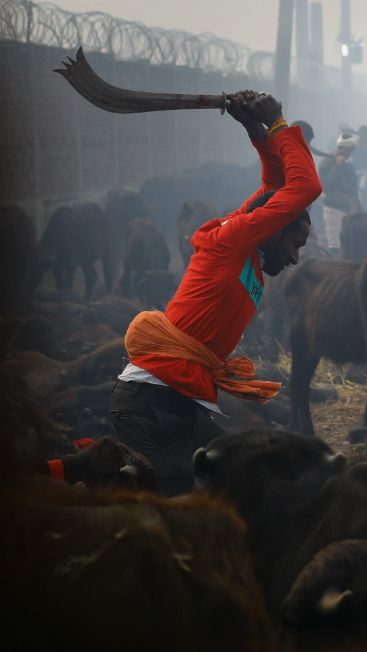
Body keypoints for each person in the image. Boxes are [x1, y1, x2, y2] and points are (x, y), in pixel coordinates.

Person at [108, 90, 321, 496]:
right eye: (295, 244)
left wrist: (254, 130)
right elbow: (305, 186)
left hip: (175, 396)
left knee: (237, 479)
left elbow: (275, 186)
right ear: (273, 229)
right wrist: (278, 121)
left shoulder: (248, 252)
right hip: (151, 400)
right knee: (178, 498)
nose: (294, 258)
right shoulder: (234, 241)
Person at [319, 133, 360, 251]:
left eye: (351, 151)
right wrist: (337, 167)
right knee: (335, 245)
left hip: (349, 210)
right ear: (341, 148)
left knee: (350, 245)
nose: (350, 154)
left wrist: (356, 205)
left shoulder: (349, 166)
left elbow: (354, 189)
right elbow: (326, 187)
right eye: (348, 150)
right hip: (334, 209)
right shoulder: (327, 163)